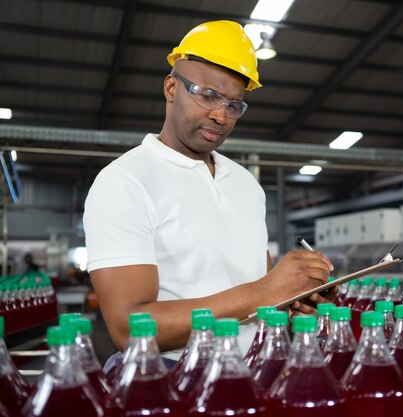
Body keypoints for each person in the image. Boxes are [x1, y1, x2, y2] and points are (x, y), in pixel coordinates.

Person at [83, 21, 335, 367]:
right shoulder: (125, 182)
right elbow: (129, 327)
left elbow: (255, 293)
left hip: (254, 367)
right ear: (171, 87)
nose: (221, 115)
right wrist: (264, 291)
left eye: (234, 105)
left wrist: (292, 295)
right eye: (208, 95)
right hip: (172, 374)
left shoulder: (245, 183)